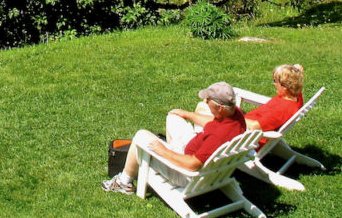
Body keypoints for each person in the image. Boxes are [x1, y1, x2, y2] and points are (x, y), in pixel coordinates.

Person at [102, 81, 246, 194]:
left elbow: (193, 164)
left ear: (220, 107)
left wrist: (163, 152)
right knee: (173, 116)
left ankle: (124, 183)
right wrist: (187, 114)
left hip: (186, 174)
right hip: (198, 155)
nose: (205, 102)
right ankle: (170, 151)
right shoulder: (235, 114)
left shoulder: (217, 136)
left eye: (208, 100)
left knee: (141, 136)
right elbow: (211, 123)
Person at [172, 64, 305, 134]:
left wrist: (233, 116)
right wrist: (298, 71)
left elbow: (254, 127)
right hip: (245, 121)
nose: (274, 84)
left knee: (203, 106)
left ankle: (198, 138)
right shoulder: (295, 97)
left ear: (286, 87)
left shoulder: (281, 109)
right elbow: (296, 80)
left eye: (275, 81)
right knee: (207, 103)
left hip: (243, 132)